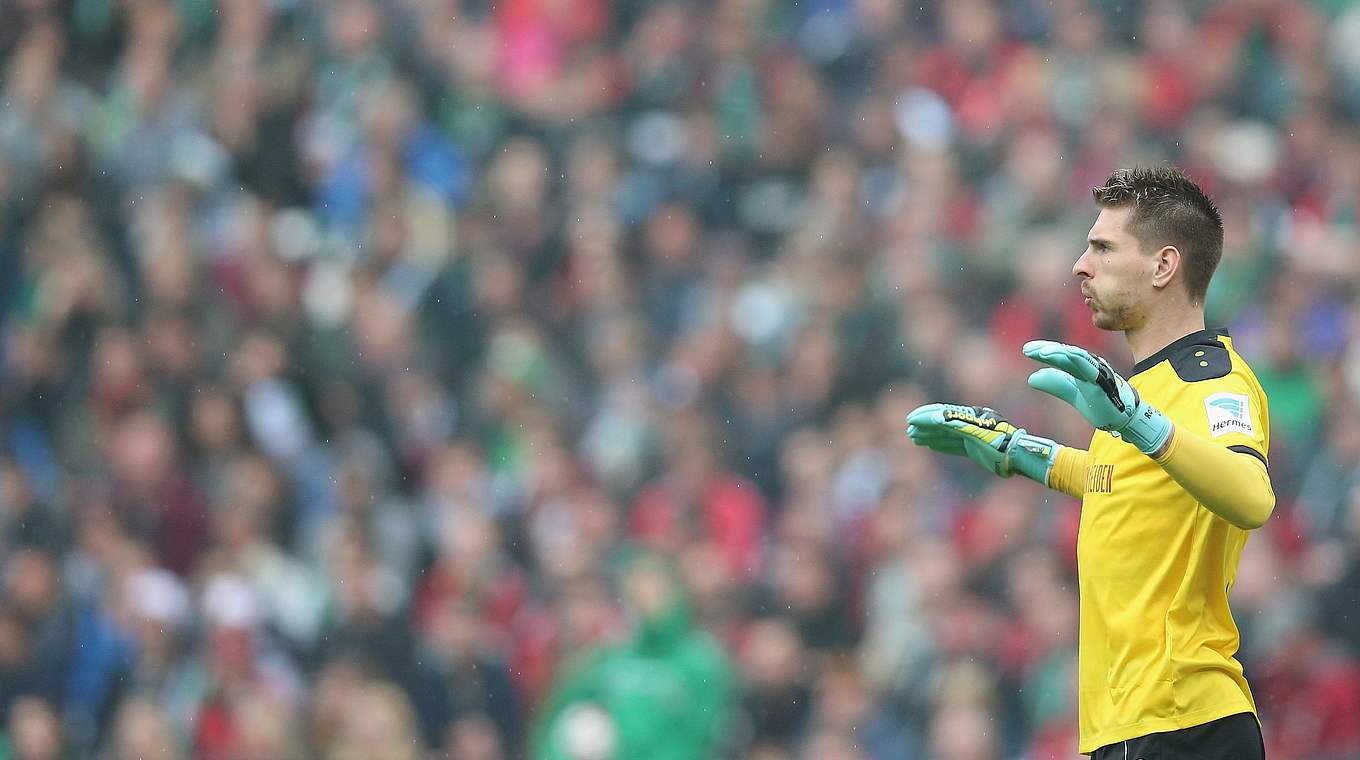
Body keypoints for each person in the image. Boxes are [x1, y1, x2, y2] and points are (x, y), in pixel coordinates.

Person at [907, 166, 1274, 759]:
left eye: (1103, 247)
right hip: (1121, 729)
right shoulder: (1138, 390)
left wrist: (1137, 420)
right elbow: (1119, 484)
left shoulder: (1211, 380)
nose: (1081, 264)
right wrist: (1019, 451)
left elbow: (1253, 497)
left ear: (1163, 266)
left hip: (1189, 724)